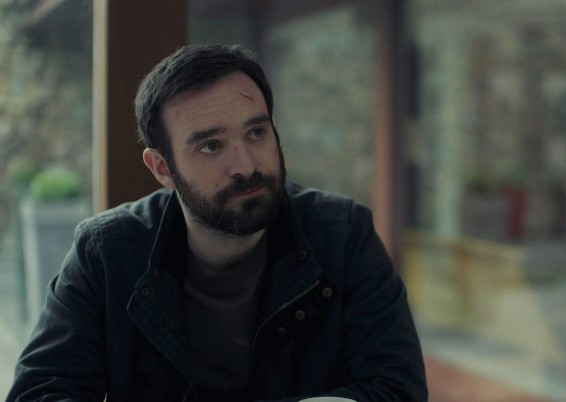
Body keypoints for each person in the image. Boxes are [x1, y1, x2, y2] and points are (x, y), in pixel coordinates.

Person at [6, 45, 427, 402]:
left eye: (257, 133)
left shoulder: (343, 235)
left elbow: (398, 388)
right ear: (162, 168)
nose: (246, 165)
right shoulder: (106, 252)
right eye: (211, 146)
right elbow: (41, 392)